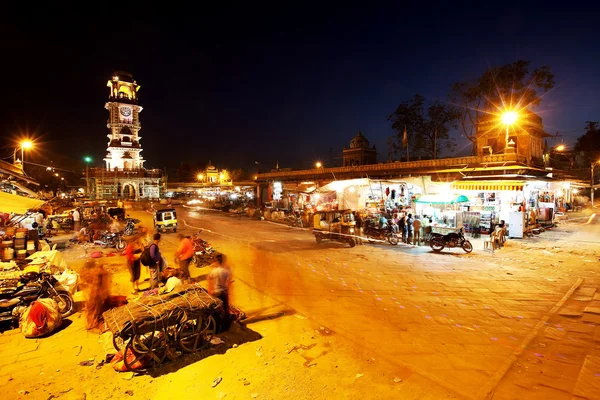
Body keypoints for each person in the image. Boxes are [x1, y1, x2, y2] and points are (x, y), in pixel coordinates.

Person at [207, 254, 232, 330]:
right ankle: (226, 327)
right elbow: (227, 283)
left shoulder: (213, 272)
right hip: (224, 292)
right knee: (225, 309)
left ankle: (216, 327)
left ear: (217, 262)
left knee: (215, 311)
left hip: (215, 293)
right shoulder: (226, 272)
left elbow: (210, 283)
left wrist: (210, 292)